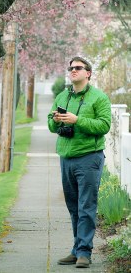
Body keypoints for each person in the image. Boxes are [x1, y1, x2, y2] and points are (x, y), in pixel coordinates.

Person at [47, 56, 111, 269]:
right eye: (71, 68)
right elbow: (50, 124)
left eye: (78, 68)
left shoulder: (99, 97)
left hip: (89, 158)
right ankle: (77, 250)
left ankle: (85, 252)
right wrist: (55, 120)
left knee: (86, 206)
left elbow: (104, 126)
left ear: (88, 73)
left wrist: (78, 120)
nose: (73, 71)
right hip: (66, 158)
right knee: (73, 207)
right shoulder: (62, 96)